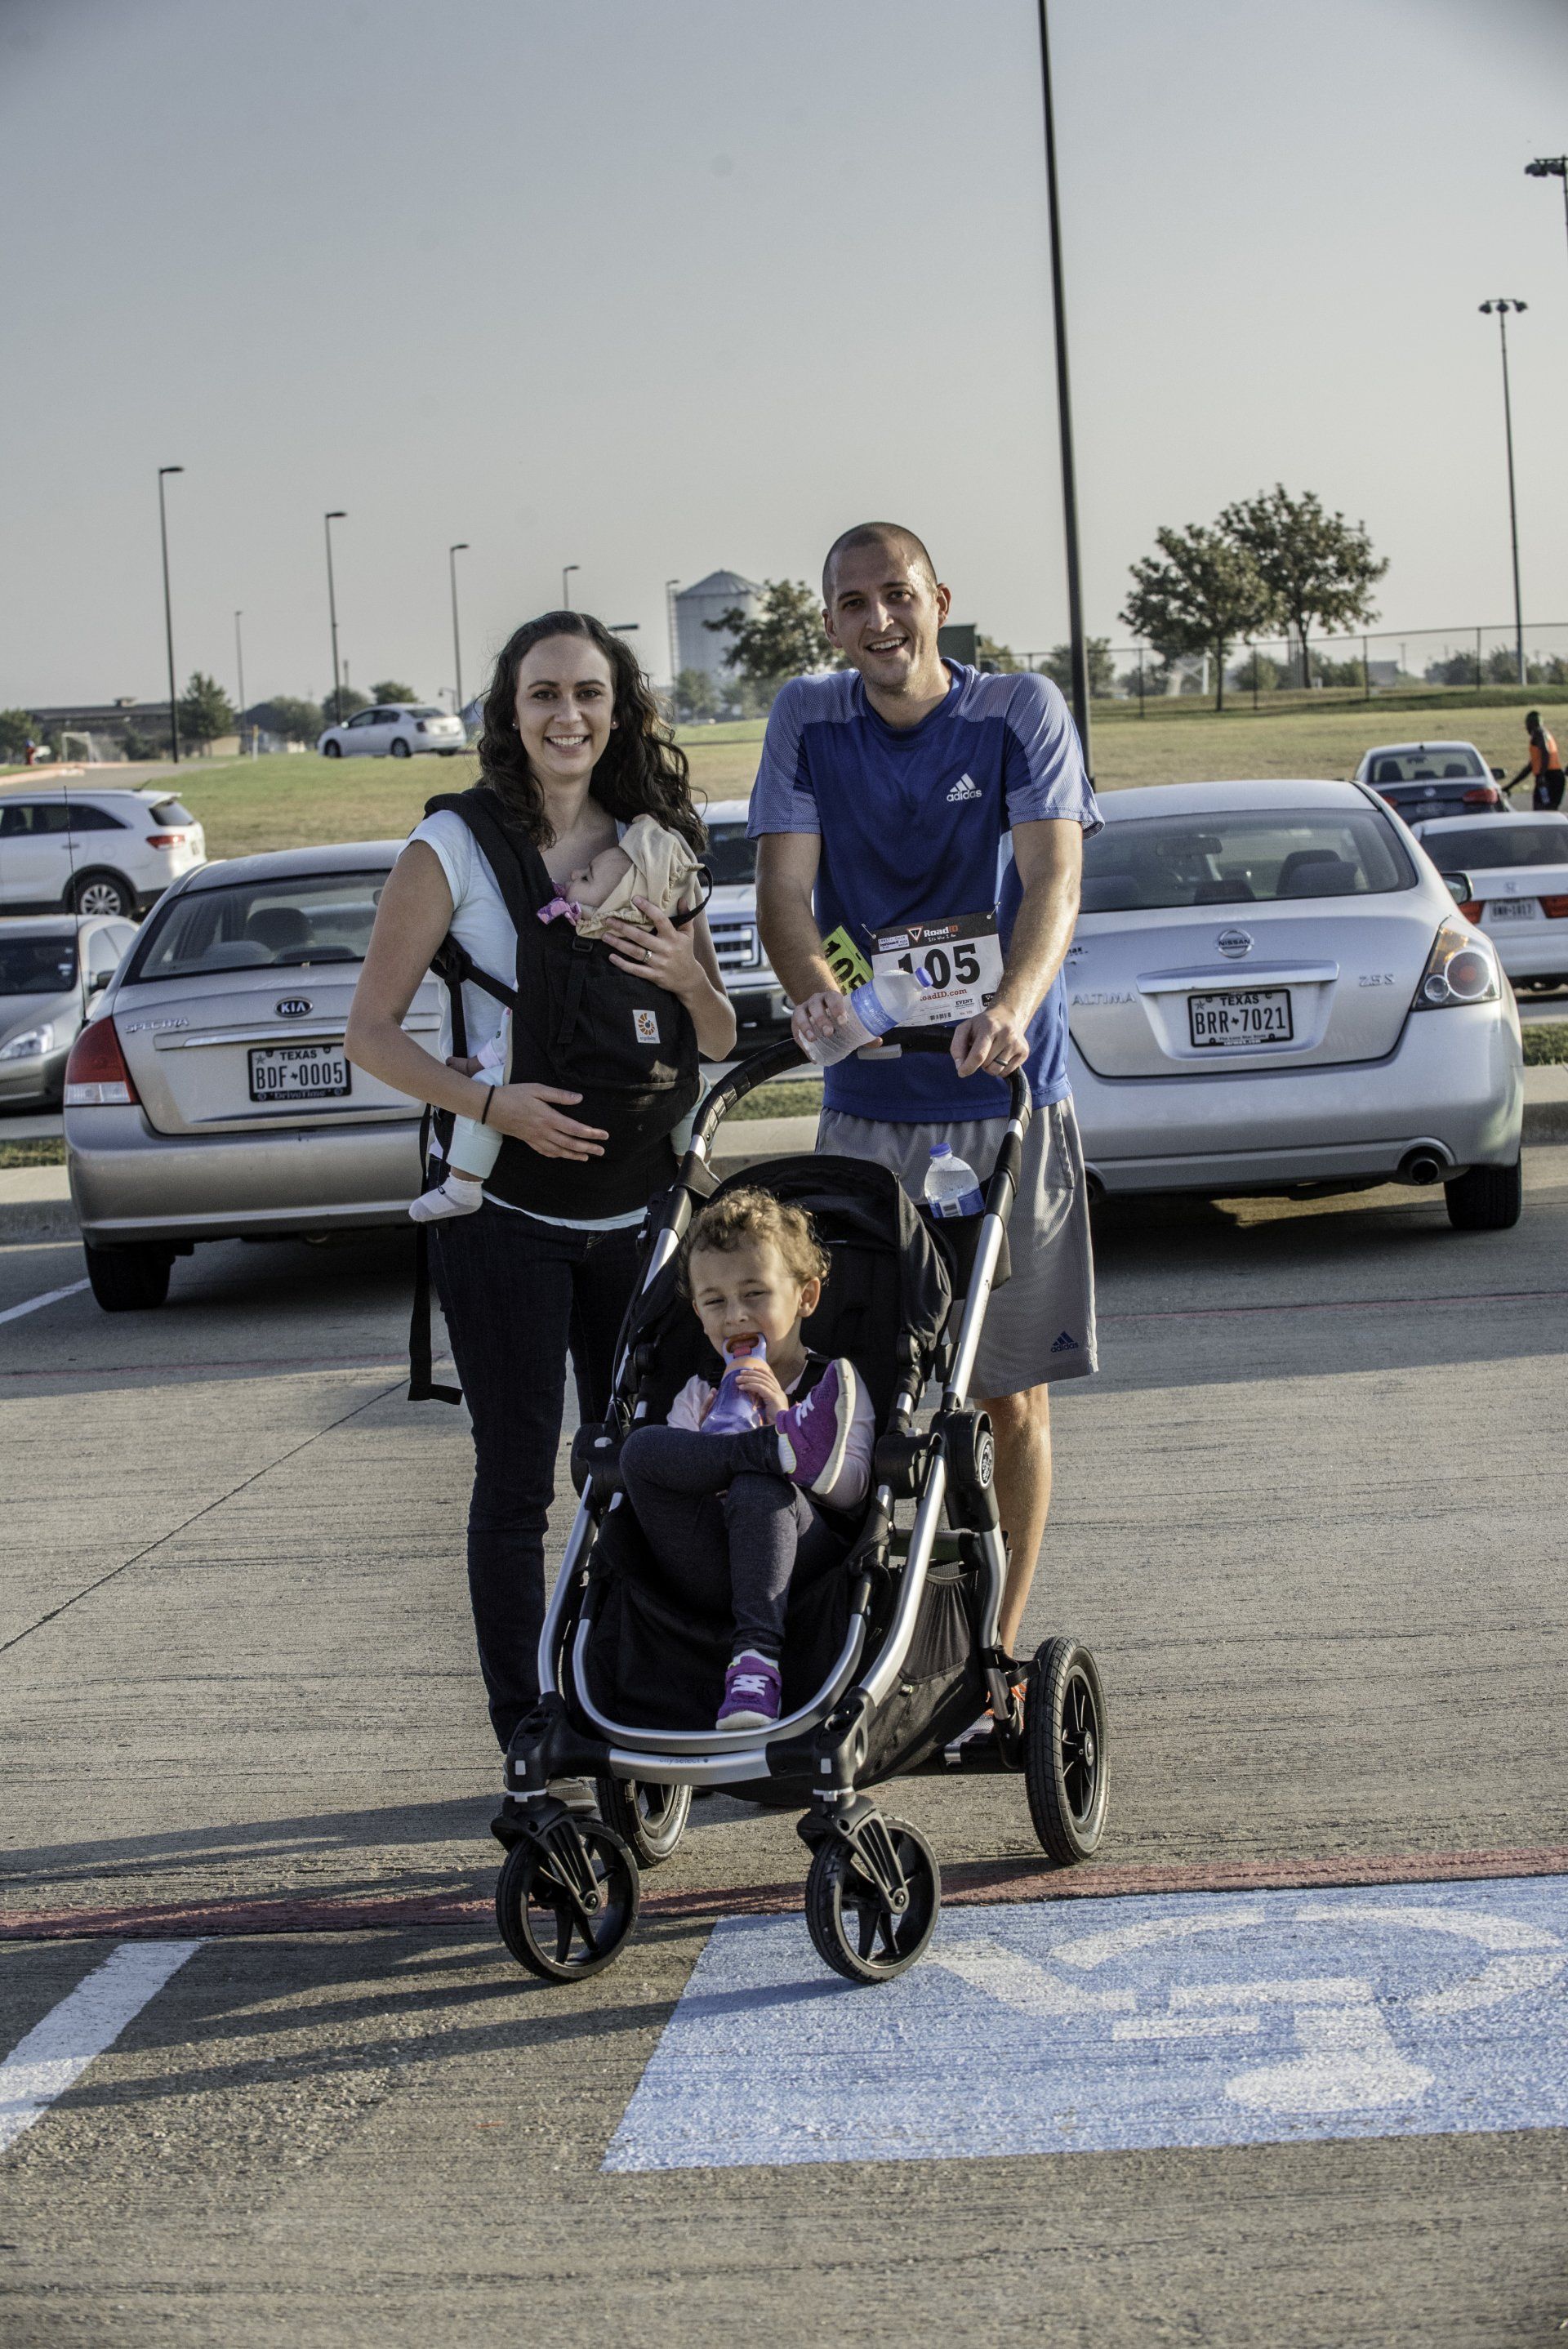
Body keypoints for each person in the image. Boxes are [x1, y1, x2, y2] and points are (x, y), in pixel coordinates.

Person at [345, 611, 736, 1754]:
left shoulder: (659, 843)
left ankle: (631, 1695)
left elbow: (717, 1034)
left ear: (621, 710)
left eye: (589, 693)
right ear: (509, 715)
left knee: (643, 1466)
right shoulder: (451, 849)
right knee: (517, 1484)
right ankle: (528, 1724)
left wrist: (685, 973)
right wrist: (492, 1108)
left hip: (644, 1215)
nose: (569, 714)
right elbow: (371, 1034)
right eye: (544, 694)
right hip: (506, 1218)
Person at [752, 521, 1100, 1681]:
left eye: (897, 594)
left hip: (1003, 1098)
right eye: (853, 604)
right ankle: (853, 1635)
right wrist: (820, 996)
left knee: (1007, 1396)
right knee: (851, 1386)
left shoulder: (1017, 710)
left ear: (939, 600)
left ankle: (991, 1653)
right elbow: (784, 892)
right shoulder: (808, 718)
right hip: (868, 1105)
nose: (879, 620)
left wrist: (1010, 1005)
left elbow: (1054, 876)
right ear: (830, 622)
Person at [617, 1187, 873, 1730]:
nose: (735, 1316)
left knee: (762, 1487)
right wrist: (721, 1439)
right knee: (640, 1450)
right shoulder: (698, 1393)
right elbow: (674, 1476)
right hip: (704, 1562)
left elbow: (853, 1491)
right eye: (715, 1302)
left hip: (798, 1563)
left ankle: (756, 1664)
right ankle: (773, 1450)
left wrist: (783, 1414)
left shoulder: (832, 1386)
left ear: (805, 1297)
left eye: (755, 1294)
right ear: (697, 1313)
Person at [410, 811, 708, 1223]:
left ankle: (463, 1184)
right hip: (636, 1109)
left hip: (559, 1098)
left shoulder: (557, 950)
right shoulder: (657, 956)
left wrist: (475, 1070)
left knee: (485, 1091)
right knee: (694, 1091)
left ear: (612, 909)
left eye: (587, 877)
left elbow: (513, 1035)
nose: (574, 873)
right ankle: (688, 1170)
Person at [1507, 712, 1566, 811]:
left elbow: (1546, 752)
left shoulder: (1538, 733)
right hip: (1557, 777)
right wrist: (1510, 786)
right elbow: (1530, 767)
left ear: (1531, 725)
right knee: (1551, 812)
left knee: (1541, 812)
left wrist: (1542, 776)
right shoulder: (1546, 734)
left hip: (1548, 778)